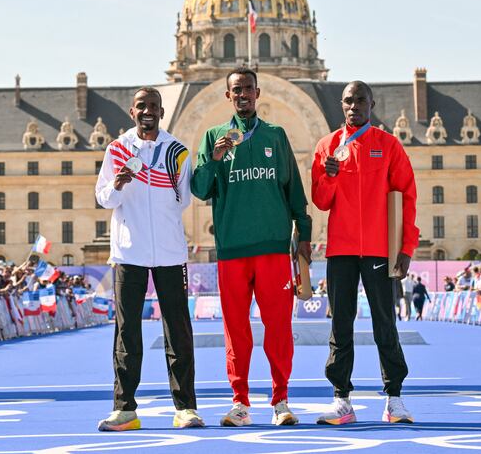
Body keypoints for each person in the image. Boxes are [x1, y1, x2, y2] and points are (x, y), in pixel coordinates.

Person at [191, 67, 312, 427]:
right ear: (227, 96)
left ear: (257, 93)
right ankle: (240, 401)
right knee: (236, 330)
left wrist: (303, 235)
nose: (242, 94)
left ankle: (281, 400)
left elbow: (294, 191)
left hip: (274, 249)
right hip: (231, 251)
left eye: (248, 89)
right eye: (235, 90)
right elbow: (199, 189)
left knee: (278, 327)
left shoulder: (275, 135)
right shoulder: (214, 137)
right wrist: (213, 159)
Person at [311, 80, 418, 425]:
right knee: (340, 324)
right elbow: (321, 202)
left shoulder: (388, 145)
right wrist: (327, 177)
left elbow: (407, 198)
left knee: (385, 323)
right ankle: (342, 398)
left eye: (360, 100)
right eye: (347, 101)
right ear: (341, 105)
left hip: (379, 250)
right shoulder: (327, 146)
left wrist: (406, 247)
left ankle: (394, 398)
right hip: (340, 249)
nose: (353, 106)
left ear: (371, 104)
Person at [96, 87, 202, 431]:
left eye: (153, 106)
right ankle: (124, 408)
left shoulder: (178, 151)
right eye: (141, 106)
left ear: (161, 111)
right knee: (127, 332)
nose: (147, 111)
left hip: (170, 253)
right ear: (132, 112)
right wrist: (118, 184)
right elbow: (103, 199)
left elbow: (182, 200)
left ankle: (185, 407)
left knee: (178, 330)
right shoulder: (117, 149)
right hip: (129, 253)